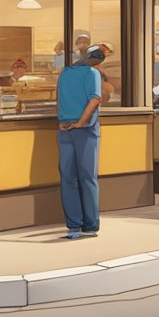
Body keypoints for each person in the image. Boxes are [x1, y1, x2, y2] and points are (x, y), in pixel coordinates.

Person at [57, 45, 104, 239]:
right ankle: (91, 225)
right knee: (88, 177)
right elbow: (94, 100)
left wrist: (63, 121)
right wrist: (80, 122)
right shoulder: (92, 73)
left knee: (68, 177)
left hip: (64, 128)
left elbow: (59, 98)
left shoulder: (65, 73)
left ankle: (74, 224)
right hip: (85, 130)